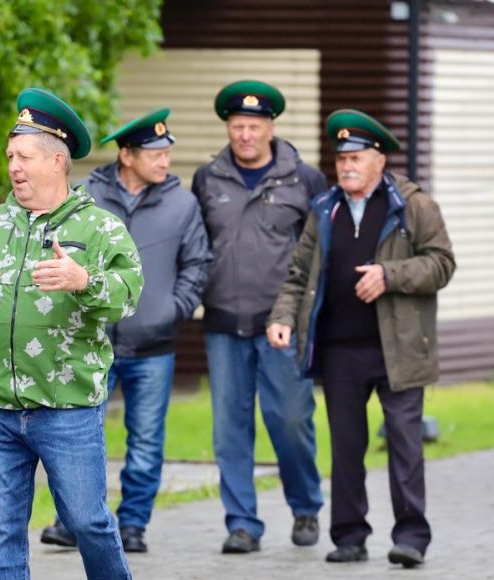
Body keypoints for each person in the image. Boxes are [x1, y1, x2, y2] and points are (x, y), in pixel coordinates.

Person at [0, 88, 143, 579]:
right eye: (10, 157)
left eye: (24, 157)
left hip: (67, 409)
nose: (14, 167)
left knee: (88, 522)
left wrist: (84, 280)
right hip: (0, 411)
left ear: (57, 161)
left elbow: (128, 295)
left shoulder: (100, 229)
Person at [268, 109, 455, 568]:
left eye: (355, 158)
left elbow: (441, 263)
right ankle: (349, 536)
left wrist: (390, 275)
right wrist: (283, 317)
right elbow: (298, 275)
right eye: (341, 159)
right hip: (340, 350)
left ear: (379, 160)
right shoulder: (324, 209)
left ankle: (411, 537)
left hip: (399, 349)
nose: (346, 166)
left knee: (405, 445)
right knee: (346, 448)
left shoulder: (413, 205)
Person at [39, 109, 211, 553]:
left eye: (167, 152)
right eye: (155, 153)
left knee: (147, 442)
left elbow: (197, 264)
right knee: (78, 438)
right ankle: (73, 521)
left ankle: (133, 524)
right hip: (90, 341)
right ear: (127, 156)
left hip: (154, 345)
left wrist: (173, 310)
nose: (165, 161)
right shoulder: (86, 196)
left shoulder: (183, 204)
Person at [191, 80, 326, 554]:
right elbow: (196, 245)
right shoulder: (207, 179)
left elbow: (317, 256)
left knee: (290, 421)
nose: (245, 135)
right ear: (228, 128)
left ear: (271, 127)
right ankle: (242, 524)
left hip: (281, 326)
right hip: (223, 324)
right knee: (229, 430)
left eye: (253, 126)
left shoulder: (304, 180)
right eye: (237, 126)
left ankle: (306, 506)